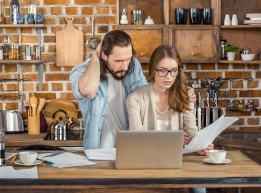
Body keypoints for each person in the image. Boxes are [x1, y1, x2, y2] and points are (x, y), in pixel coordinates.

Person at [70, 30, 196, 149]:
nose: (125, 66)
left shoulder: (133, 66)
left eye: (128, 59)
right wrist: (95, 57)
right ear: (103, 54)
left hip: (131, 148)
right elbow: (89, 90)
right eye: (119, 61)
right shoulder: (82, 71)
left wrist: (182, 91)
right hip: (99, 150)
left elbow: (146, 97)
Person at [126, 45, 213, 193]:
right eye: (163, 70)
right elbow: (137, 141)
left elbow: (192, 130)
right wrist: (174, 140)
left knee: (199, 187)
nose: (168, 76)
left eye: (174, 70)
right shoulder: (135, 99)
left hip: (178, 162)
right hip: (148, 164)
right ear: (153, 70)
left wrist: (200, 144)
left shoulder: (185, 95)